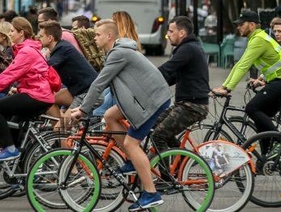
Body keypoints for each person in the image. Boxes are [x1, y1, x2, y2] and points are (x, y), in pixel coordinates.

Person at [70, 19, 172, 211]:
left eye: (98, 34)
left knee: (130, 144)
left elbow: (100, 83)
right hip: (145, 98)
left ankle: (151, 193)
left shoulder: (119, 53)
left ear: (109, 36)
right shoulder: (117, 51)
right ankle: (129, 161)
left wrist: (83, 109)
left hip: (152, 101)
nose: (94, 38)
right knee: (109, 116)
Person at [0, 17, 55, 161]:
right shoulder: (26, 49)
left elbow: (8, 75)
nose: (10, 34)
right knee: (13, 125)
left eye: (12, 31)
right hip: (38, 94)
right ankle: (17, 173)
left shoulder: (26, 52)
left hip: (37, 96)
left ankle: (9, 149)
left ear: (21, 33)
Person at [212, 10, 281, 135]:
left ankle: (278, 139)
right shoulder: (255, 39)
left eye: (242, 24)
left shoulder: (259, 40)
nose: (238, 27)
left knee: (252, 108)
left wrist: (228, 89)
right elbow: (239, 64)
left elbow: (243, 66)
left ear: (252, 25)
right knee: (262, 115)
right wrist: (224, 86)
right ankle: (266, 151)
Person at [153, 16, 210, 153]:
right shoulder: (188, 48)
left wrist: (143, 79)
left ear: (182, 33)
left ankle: (166, 174)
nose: (168, 34)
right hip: (185, 103)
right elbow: (170, 77)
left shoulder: (187, 49)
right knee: (154, 125)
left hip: (192, 106)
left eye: (171, 31)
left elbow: (166, 69)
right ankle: (181, 161)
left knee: (158, 135)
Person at [38, 20, 99, 129]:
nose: (38, 38)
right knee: (47, 99)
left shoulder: (62, 49)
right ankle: (60, 128)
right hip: (78, 89)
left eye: (41, 36)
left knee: (60, 130)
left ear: (50, 38)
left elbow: (44, 69)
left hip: (87, 92)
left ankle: (61, 133)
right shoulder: (59, 48)